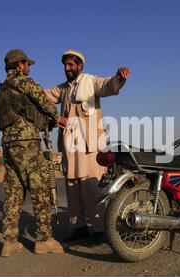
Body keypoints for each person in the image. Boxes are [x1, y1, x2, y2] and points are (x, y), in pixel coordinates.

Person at [44, 50, 130, 246]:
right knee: (72, 188)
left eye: (71, 65)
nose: (67, 68)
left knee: (91, 189)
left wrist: (119, 77)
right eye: (65, 65)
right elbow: (44, 95)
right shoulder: (63, 89)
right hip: (69, 147)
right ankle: (79, 228)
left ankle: (99, 231)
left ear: (79, 67)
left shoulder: (91, 82)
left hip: (90, 147)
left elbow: (108, 85)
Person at [0, 49, 64, 257]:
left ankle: (9, 242)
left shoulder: (1, 90)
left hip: (8, 143)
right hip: (27, 141)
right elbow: (43, 100)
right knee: (40, 187)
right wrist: (57, 117)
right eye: (27, 64)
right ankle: (44, 239)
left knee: (14, 192)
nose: (29, 67)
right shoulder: (24, 82)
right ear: (19, 66)